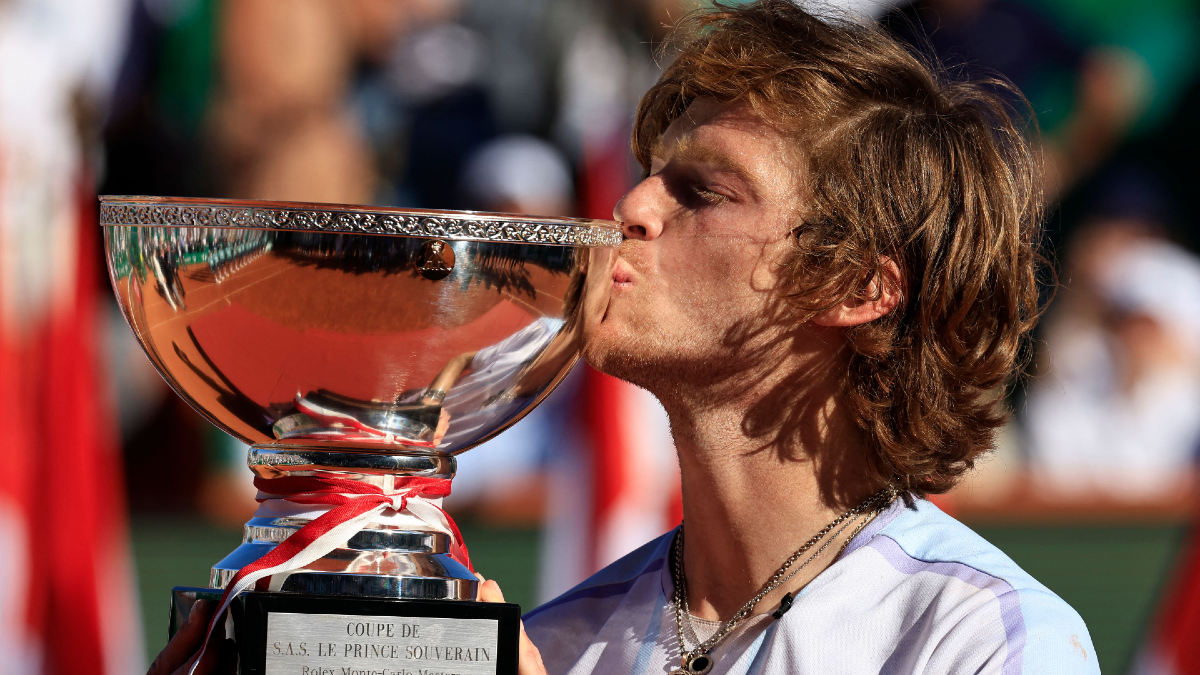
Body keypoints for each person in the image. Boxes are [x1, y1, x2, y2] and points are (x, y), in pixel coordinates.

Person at [150, 2, 1095, 674]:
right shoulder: (554, 644)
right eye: (648, 173)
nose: (631, 206)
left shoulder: (989, 640)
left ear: (857, 286)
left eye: (705, 191)